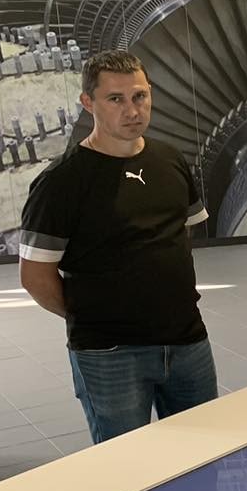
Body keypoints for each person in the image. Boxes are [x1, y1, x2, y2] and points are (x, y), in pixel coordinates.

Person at [18, 50, 217, 443]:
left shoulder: (170, 161)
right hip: (109, 353)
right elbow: (35, 276)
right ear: (88, 102)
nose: (132, 110)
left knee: (204, 453)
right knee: (126, 465)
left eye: (139, 96)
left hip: (186, 342)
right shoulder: (62, 182)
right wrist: (91, 315)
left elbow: (181, 236)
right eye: (116, 99)